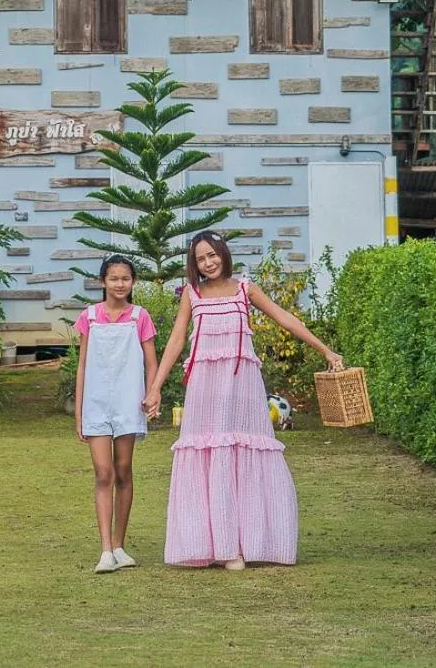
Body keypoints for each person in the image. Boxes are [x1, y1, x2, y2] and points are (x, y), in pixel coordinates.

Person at [142, 231, 344, 570]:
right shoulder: (192, 294)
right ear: (194, 265)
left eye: (212, 255)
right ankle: (220, 547)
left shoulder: (245, 288)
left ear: (223, 253)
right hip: (205, 388)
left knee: (244, 451)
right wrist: (155, 387)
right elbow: (176, 340)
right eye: (201, 259)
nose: (208, 263)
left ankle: (247, 543)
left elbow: (285, 318)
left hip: (242, 387)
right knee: (211, 453)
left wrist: (325, 350)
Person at [74, 254, 158, 573]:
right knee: (103, 472)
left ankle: (120, 546)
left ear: (133, 282)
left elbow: (151, 362)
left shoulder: (139, 317)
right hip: (96, 403)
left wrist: (152, 393)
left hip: (128, 402)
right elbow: (83, 365)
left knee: (123, 470)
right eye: (114, 278)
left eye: (125, 278)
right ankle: (105, 549)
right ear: (103, 281)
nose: (120, 284)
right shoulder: (90, 317)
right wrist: (79, 412)